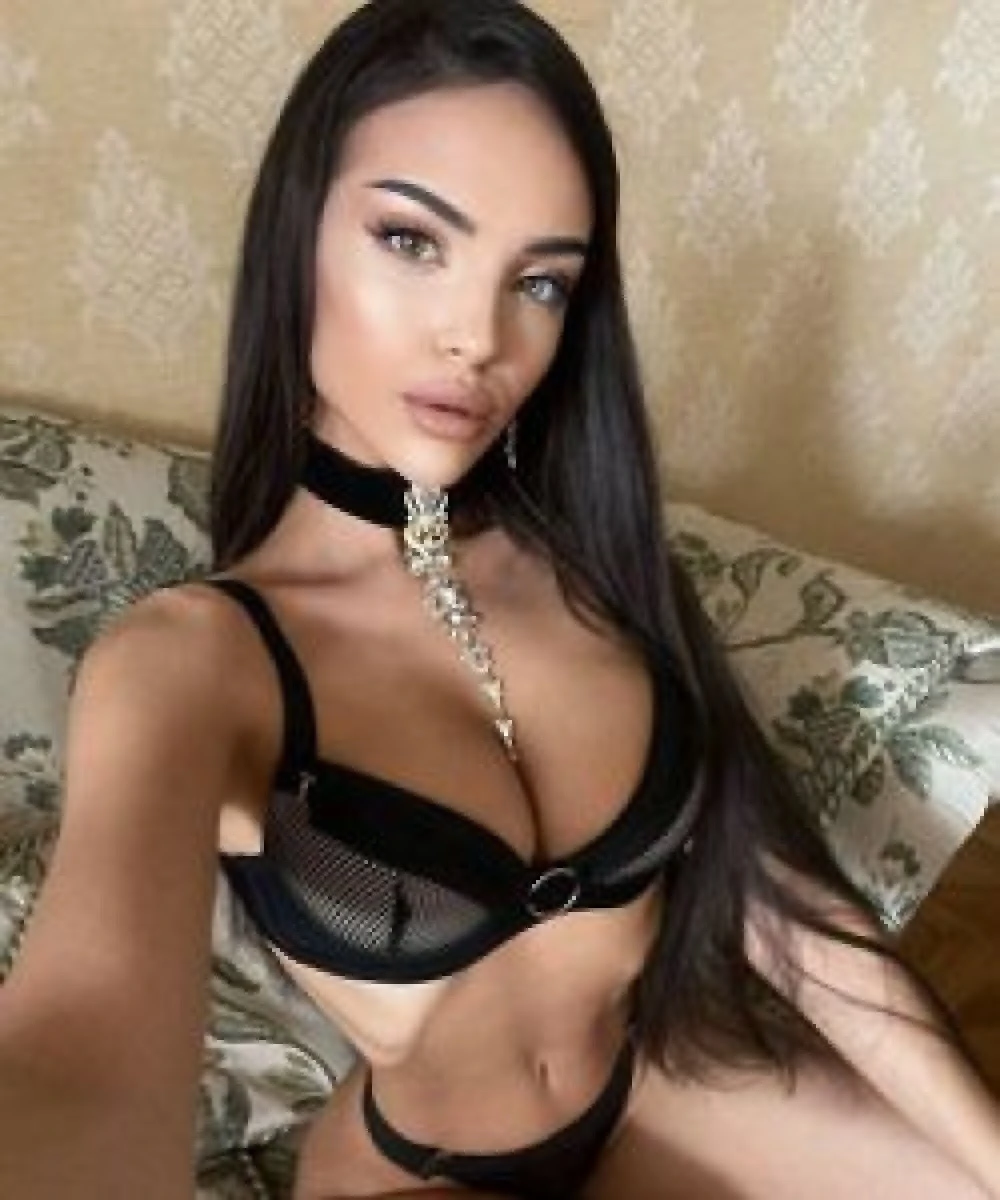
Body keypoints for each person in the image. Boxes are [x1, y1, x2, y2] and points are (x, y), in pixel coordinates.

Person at [1, 1, 999, 1197]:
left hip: (657, 1082)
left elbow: (780, 908)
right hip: (427, 1172)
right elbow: (81, 1061)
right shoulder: (194, 663)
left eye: (537, 281)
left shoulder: (600, 559)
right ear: (295, 239)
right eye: (412, 240)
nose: (476, 336)